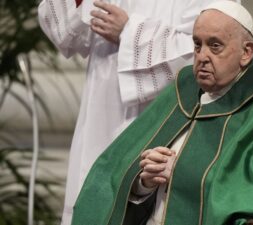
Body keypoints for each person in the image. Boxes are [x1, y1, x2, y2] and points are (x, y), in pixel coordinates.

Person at [70, 1, 253, 225]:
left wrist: (183, 170)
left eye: (215, 46)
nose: (202, 56)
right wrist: (143, 182)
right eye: (197, 45)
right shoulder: (183, 88)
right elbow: (114, 171)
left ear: (246, 52)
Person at [38, 0, 235, 224]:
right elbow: (65, 33)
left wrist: (130, 33)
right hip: (100, 114)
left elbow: (212, 54)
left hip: (163, 119)